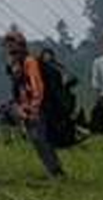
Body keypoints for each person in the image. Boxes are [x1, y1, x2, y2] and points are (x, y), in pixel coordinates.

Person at [5, 31, 65, 179]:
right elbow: (19, 88)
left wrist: (34, 107)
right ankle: (54, 170)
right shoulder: (15, 63)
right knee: (37, 140)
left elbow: (37, 85)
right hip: (27, 106)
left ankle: (55, 171)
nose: (10, 47)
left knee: (40, 139)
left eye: (13, 43)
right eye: (8, 44)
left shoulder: (29, 62)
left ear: (21, 45)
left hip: (37, 107)